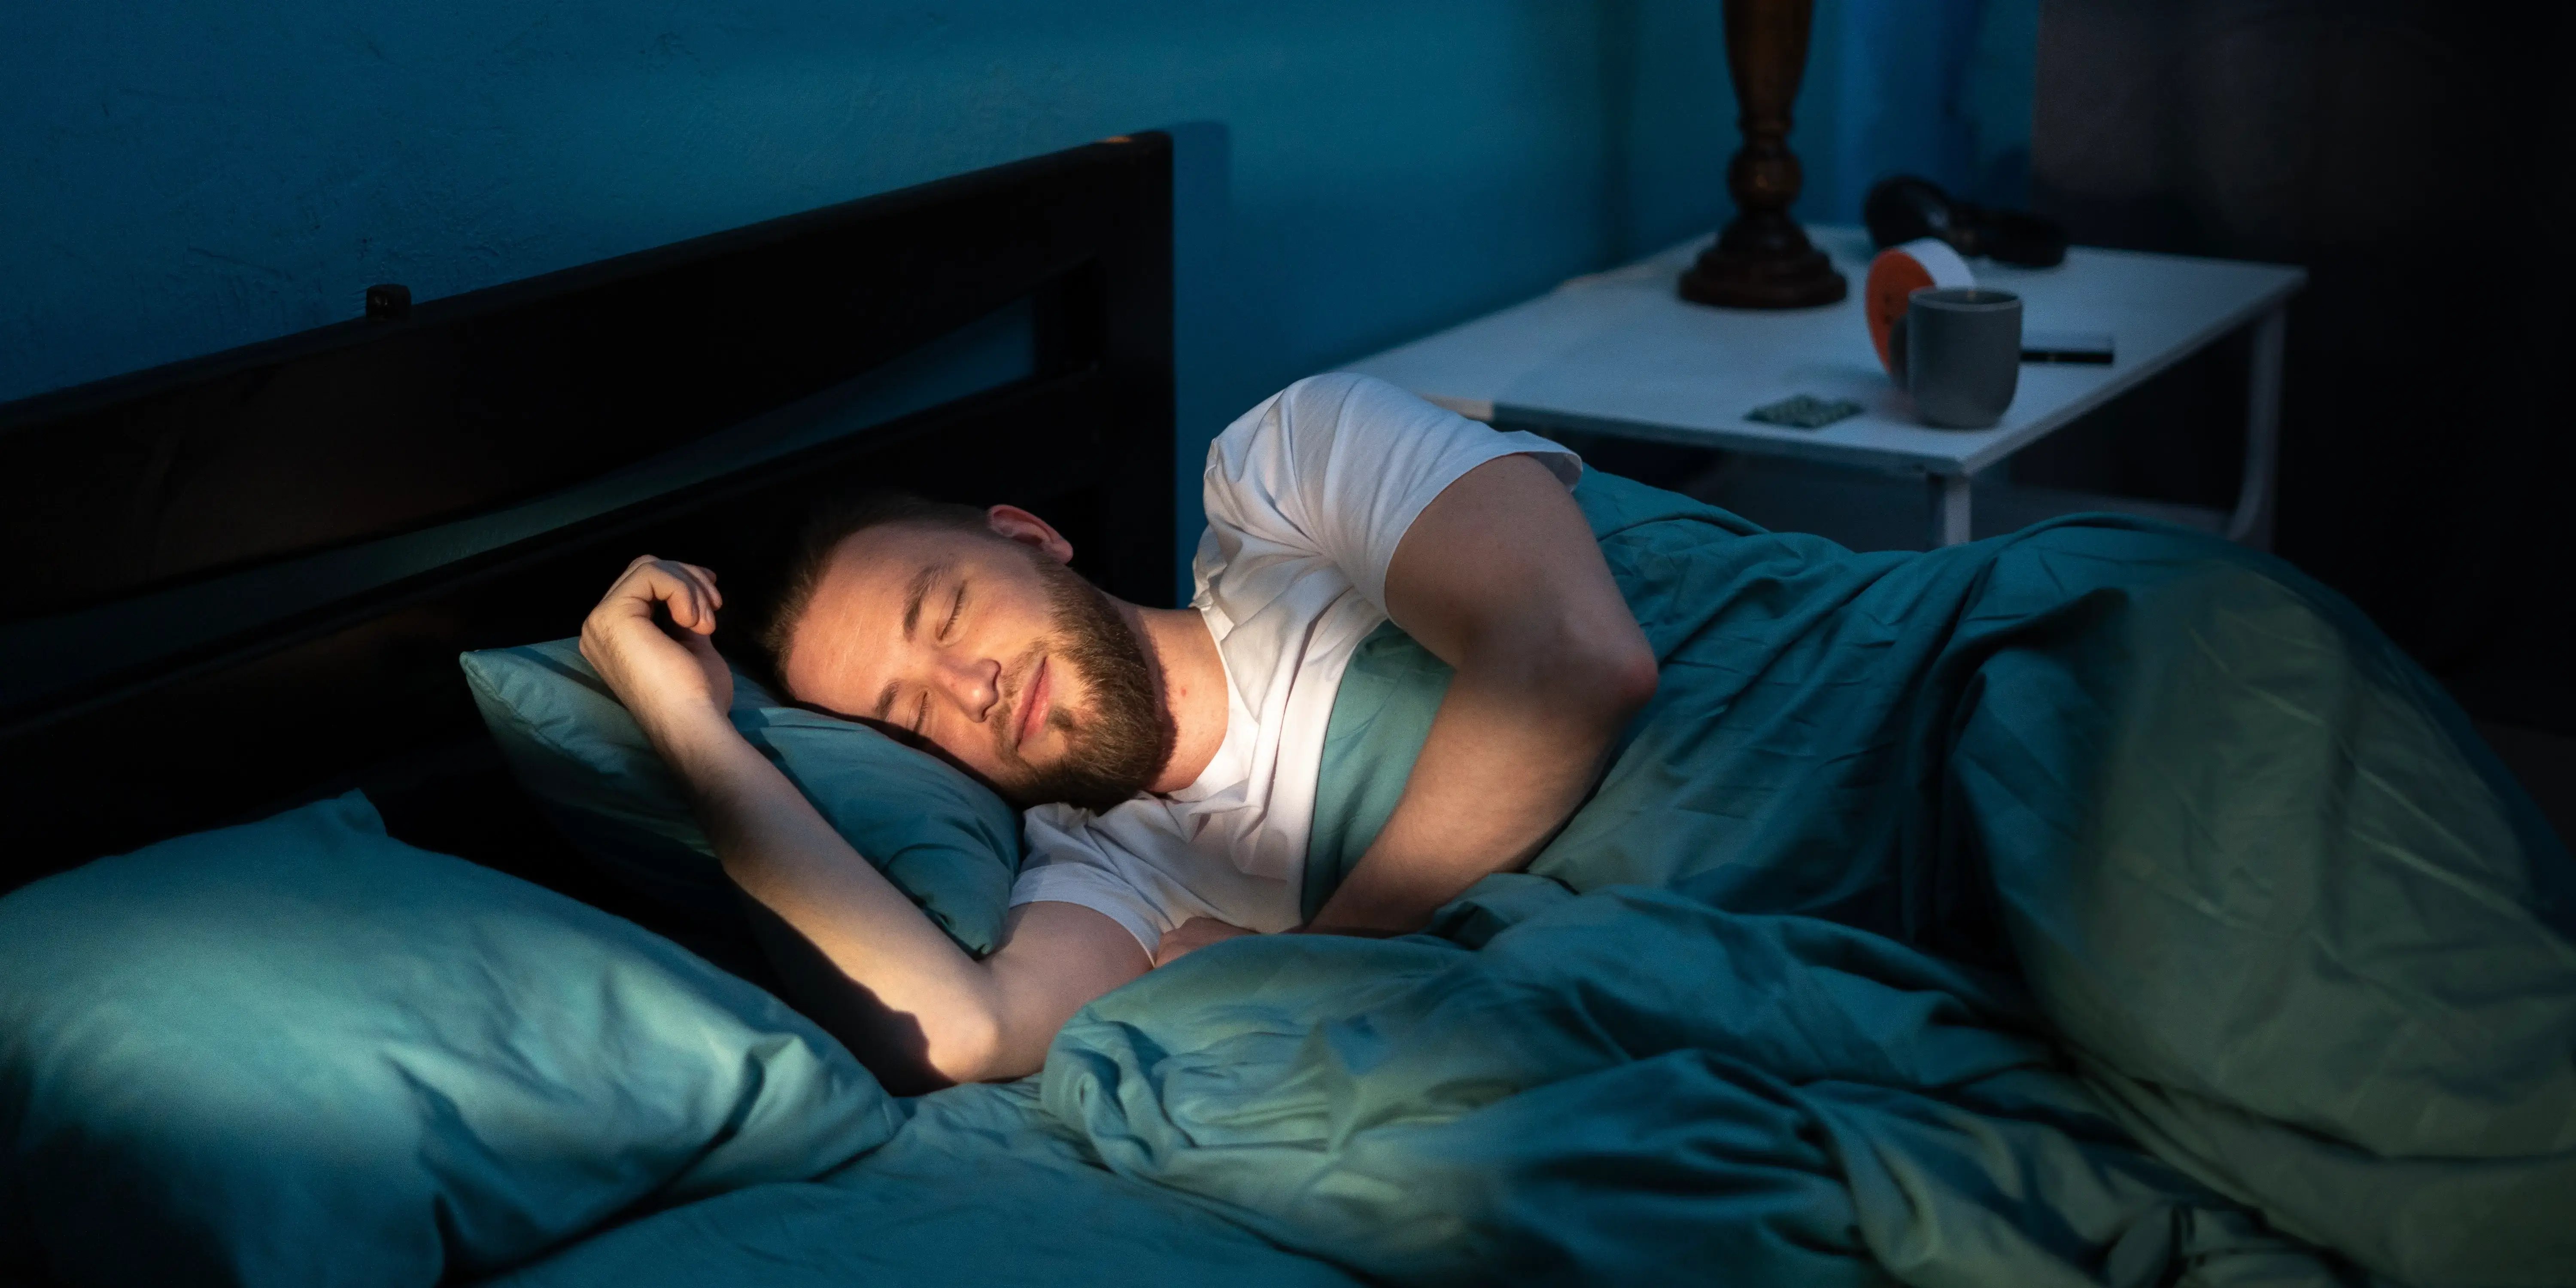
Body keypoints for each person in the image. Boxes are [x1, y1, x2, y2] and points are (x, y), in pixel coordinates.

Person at [580, 374, 1657, 1090]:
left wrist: (1325, 954)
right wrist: (691, 731)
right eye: (911, 716)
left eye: (948, 615)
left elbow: (1574, 656)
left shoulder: (1287, 481)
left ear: (1031, 537)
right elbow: (959, 1033)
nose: (971, 687)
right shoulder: (1110, 872)